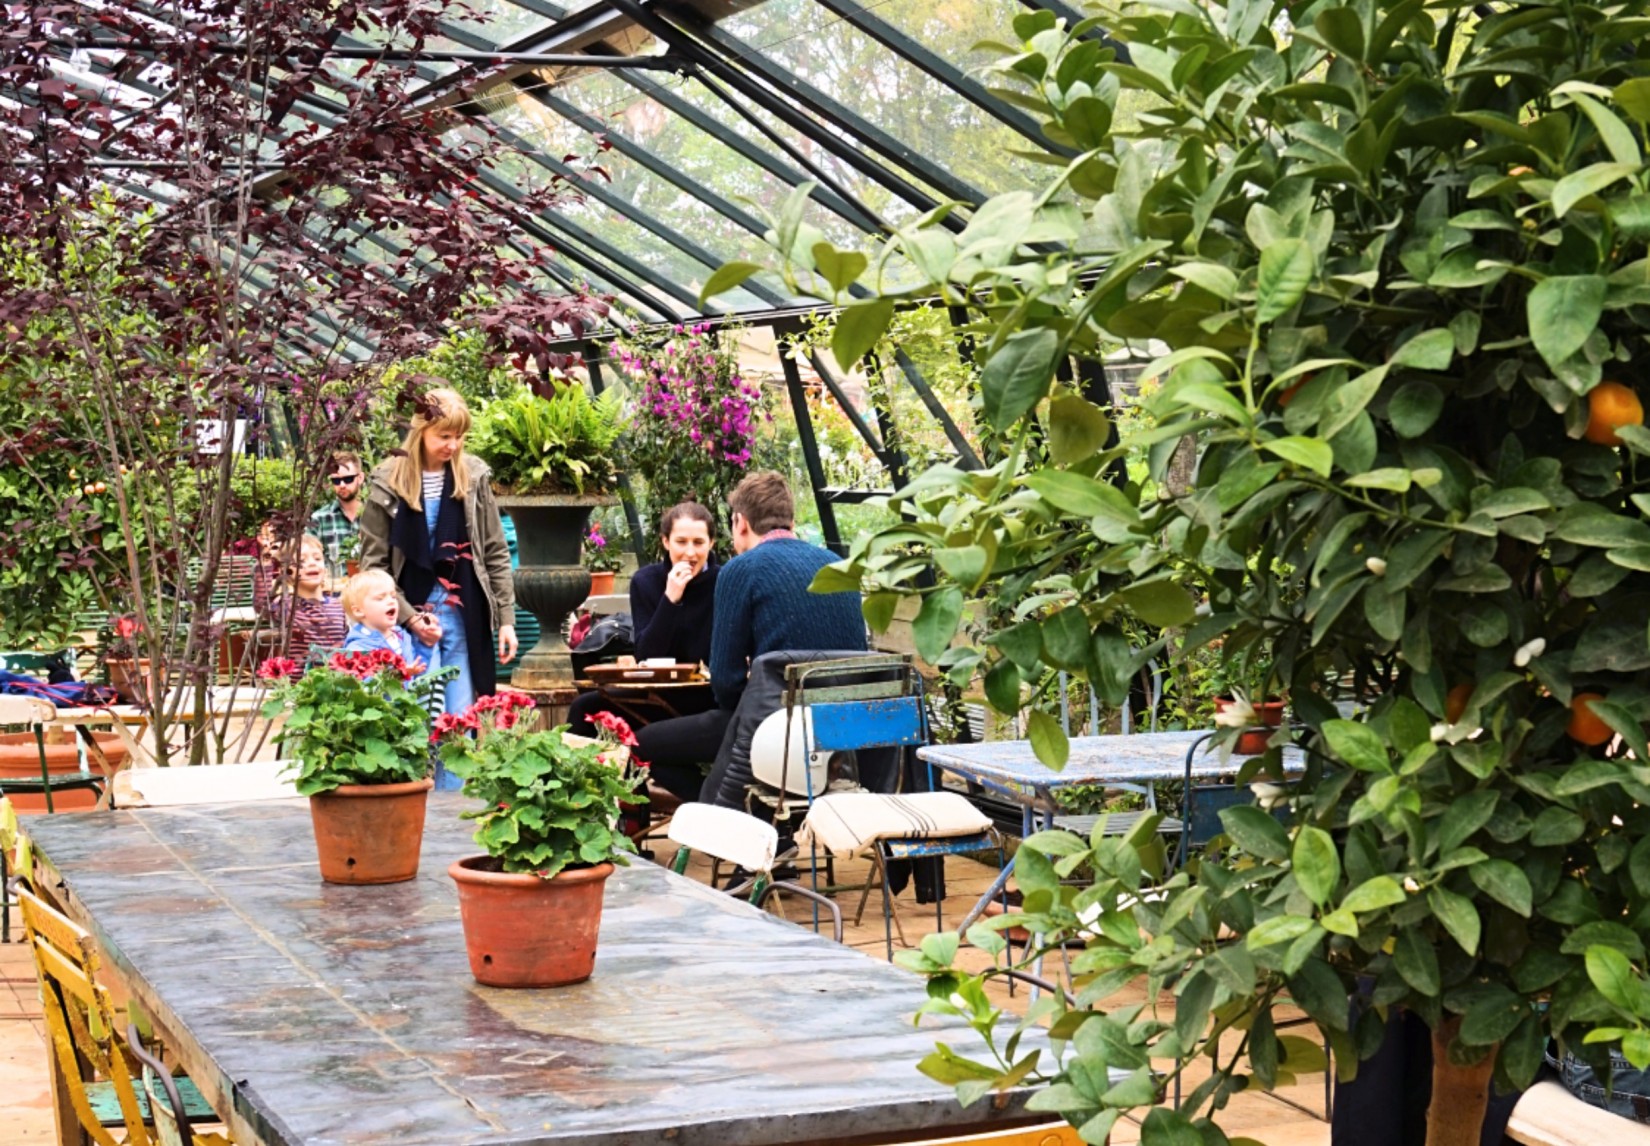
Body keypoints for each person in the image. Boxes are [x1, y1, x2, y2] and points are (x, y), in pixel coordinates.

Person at [631, 472, 866, 803]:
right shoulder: (839, 568)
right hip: (843, 728)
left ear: (740, 522)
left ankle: (718, 809)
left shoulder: (740, 570)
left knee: (638, 743)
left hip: (775, 727)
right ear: (791, 521)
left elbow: (725, 686)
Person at [359, 387, 518, 784]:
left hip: (463, 616)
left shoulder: (473, 476)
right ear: (420, 432)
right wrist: (410, 619)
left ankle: (450, 810)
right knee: (417, 723)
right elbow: (374, 567)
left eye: (459, 436)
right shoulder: (387, 482)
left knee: (460, 725)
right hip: (405, 623)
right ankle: (414, 810)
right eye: (444, 436)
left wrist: (506, 620)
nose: (453, 445)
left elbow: (494, 551)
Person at [566, 502, 719, 738]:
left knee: (646, 740)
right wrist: (670, 599)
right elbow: (646, 654)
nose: (690, 553)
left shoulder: (723, 581)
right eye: (681, 542)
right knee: (583, 708)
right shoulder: (646, 581)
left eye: (698, 543)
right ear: (666, 542)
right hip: (655, 693)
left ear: (711, 543)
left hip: (705, 696)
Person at [268, 535, 347, 662]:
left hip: (333, 673)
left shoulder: (338, 606)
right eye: (301, 561)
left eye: (317, 558)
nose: (312, 563)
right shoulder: (285, 605)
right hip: (299, 675)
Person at [339, 569, 432, 674]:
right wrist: (399, 674)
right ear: (358, 611)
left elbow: (419, 671)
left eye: (393, 596)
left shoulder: (401, 637)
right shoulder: (358, 649)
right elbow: (365, 682)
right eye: (380, 598)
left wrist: (427, 645)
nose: (391, 601)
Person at [310, 452, 364, 577]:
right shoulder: (319, 519)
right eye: (336, 480)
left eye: (348, 479)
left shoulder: (375, 516)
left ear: (360, 478)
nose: (342, 485)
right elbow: (307, 557)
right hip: (333, 586)